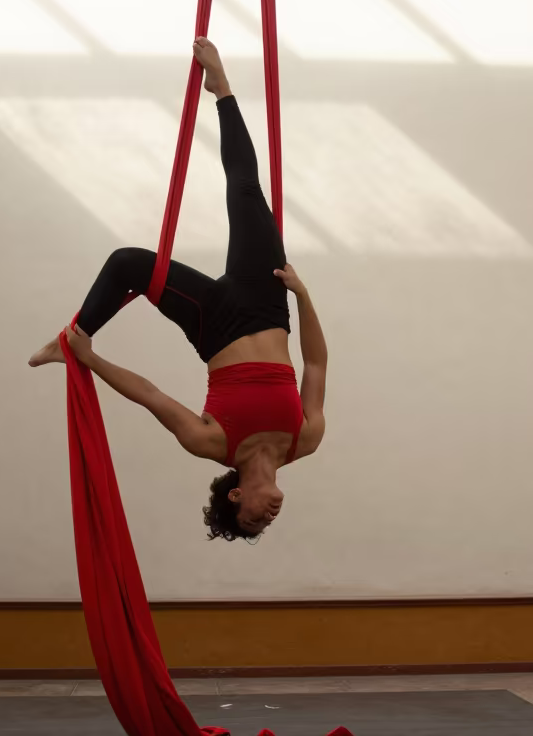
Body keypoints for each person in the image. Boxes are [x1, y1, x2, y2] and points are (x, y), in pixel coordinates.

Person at [30, 37, 328, 543]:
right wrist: (302, 294)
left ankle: (68, 337)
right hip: (268, 303)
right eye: (266, 523)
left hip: (215, 325)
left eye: (254, 519)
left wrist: (89, 357)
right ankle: (223, 89)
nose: (269, 517)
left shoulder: (212, 443)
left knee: (128, 263)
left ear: (235, 496)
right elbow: (317, 364)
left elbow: (150, 395)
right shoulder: (306, 440)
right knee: (246, 189)